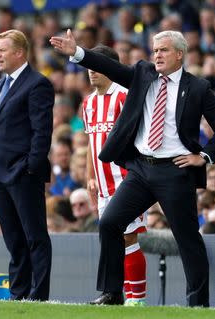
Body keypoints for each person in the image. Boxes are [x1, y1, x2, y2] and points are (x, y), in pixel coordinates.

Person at [51, 29, 215, 306]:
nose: (157, 55)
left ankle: (198, 304)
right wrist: (78, 53)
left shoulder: (197, 87)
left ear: (179, 54)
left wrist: (205, 156)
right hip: (140, 169)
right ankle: (112, 293)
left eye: (163, 50)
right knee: (110, 222)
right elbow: (109, 66)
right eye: (155, 50)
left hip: (175, 170)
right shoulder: (142, 74)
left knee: (187, 239)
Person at [0, 29, 54, 301]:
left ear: (19, 53)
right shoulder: (1, 83)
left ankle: (38, 295)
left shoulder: (38, 84)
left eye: (2, 49)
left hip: (23, 173)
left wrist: (31, 167)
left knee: (34, 236)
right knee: (13, 239)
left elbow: (41, 131)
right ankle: (18, 292)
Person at [82, 45, 147, 306]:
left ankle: (136, 299)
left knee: (128, 236)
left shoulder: (125, 97)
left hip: (127, 181)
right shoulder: (88, 103)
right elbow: (91, 142)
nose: (91, 72)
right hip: (103, 184)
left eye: (97, 66)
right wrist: (90, 175)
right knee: (112, 239)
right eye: (89, 67)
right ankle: (114, 295)